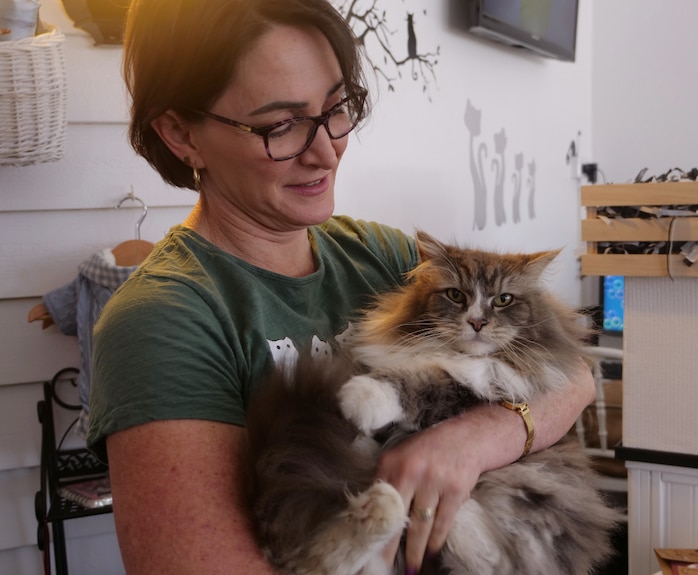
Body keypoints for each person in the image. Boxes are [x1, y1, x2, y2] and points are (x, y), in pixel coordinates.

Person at [86, 0, 596, 574]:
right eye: (280, 124)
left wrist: (477, 440)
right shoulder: (164, 321)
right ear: (180, 131)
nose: (327, 151)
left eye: (336, 108)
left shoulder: (387, 259)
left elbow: (574, 377)